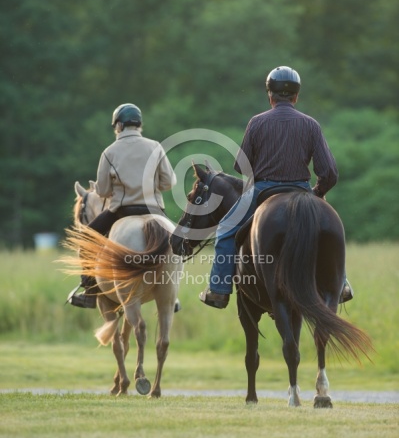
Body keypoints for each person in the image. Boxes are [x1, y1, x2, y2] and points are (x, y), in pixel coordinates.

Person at [199, 65, 353, 309]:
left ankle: (218, 290)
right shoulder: (311, 124)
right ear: (296, 96)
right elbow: (330, 172)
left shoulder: (257, 122)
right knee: (331, 229)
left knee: (225, 231)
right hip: (302, 190)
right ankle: (342, 284)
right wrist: (317, 193)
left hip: (263, 191)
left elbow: (240, 166)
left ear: (269, 95)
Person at [69, 103, 178, 308]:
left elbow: (101, 191)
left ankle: (90, 290)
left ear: (118, 125)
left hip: (121, 211)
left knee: (86, 237)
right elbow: (169, 182)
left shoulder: (109, 152)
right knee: (178, 242)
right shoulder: (155, 146)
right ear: (138, 124)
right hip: (155, 211)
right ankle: (173, 292)